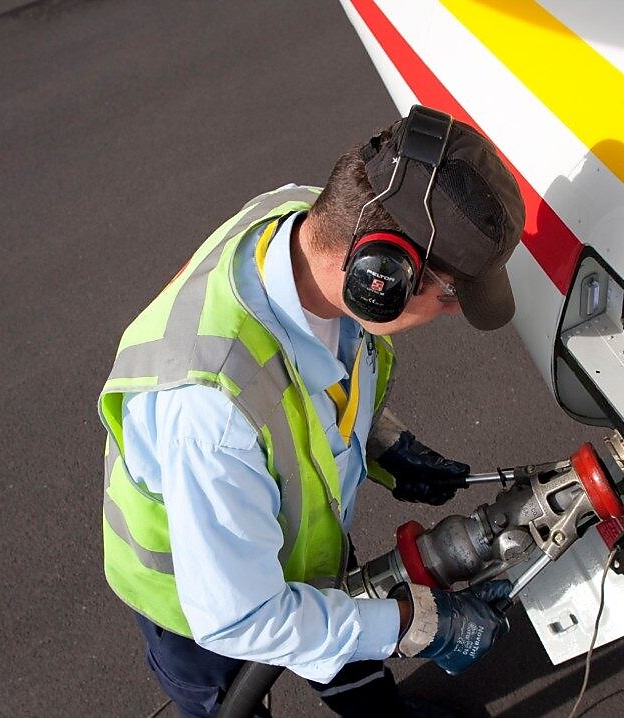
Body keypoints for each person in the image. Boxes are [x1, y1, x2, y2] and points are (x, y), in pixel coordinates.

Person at [97, 106, 526, 717]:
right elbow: (245, 617)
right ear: (381, 277)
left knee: (352, 646)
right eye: (451, 293)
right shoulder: (213, 414)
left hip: (291, 527)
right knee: (239, 700)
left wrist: (382, 441)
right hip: (202, 606)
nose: (454, 311)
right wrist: (418, 624)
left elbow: (312, 381)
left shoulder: (308, 222)